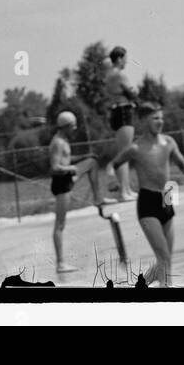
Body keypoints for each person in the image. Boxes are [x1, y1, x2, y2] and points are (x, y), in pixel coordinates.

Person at [108, 102, 184, 287]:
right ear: (143, 121)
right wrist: (112, 180)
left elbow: (182, 164)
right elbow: (113, 164)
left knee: (166, 255)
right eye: (155, 118)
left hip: (168, 193)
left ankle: (143, 284)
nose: (160, 121)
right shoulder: (136, 148)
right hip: (147, 201)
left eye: (161, 117)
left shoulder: (169, 142)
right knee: (164, 255)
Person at [49, 109, 110, 275]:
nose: (75, 128)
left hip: (67, 179)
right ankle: (60, 263)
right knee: (60, 225)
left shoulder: (63, 140)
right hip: (62, 185)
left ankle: (98, 198)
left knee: (91, 161)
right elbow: (55, 167)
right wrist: (72, 169)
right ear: (66, 126)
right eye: (73, 126)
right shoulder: (58, 143)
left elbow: (66, 160)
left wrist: (82, 157)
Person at [104, 45, 138, 201]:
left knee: (122, 151)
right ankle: (124, 192)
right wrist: (136, 94)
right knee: (124, 152)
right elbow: (131, 93)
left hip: (115, 112)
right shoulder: (119, 75)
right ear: (119, 58)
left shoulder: (109, 74)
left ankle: (126, 189)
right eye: (125, 58)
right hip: (124, 111)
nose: (127, 62)